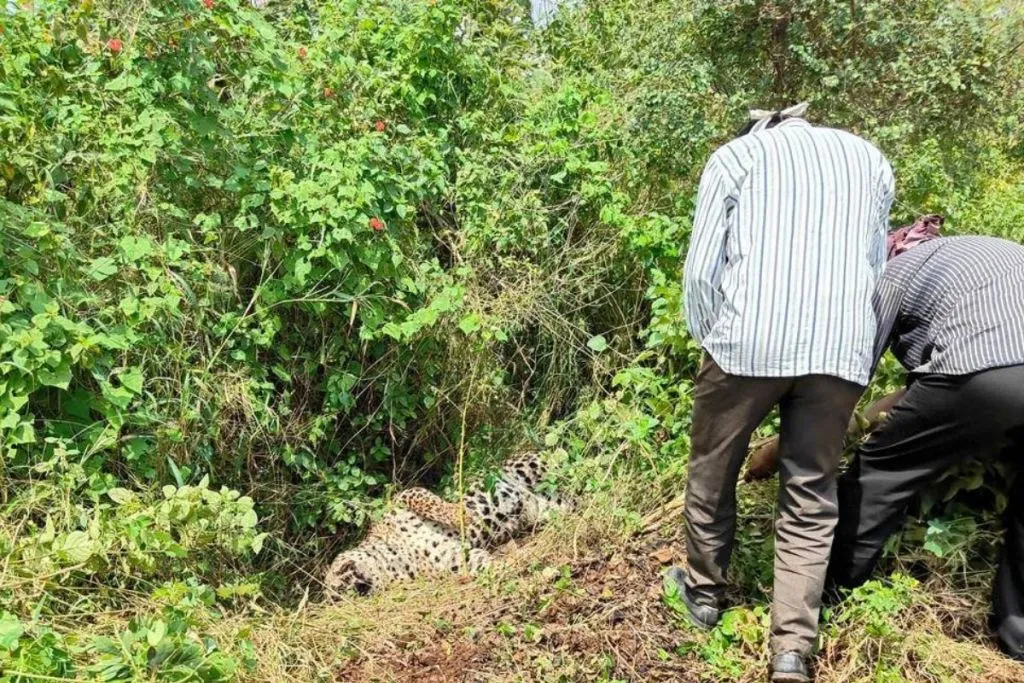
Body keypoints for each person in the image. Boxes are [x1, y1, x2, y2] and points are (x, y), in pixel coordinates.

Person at [670, 102, 895, 683]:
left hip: (747, 340)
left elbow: (701, 272)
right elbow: (875, 263)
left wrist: (716, 340)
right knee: (810, 492)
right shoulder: (869, 158)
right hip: (839, 348)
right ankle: (792, 649)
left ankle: (704, 593)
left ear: (758, 125)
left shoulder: (738, 156)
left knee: (713, 467)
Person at [825, 226, 1024, 661]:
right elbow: (922, 393)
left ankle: (834, 594)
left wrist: (788, 445)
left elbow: (850, 374)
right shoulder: (987, 257)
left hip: (983, 369)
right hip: (996, 369)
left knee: (882, 472)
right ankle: (1019, 638)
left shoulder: (896, 272)